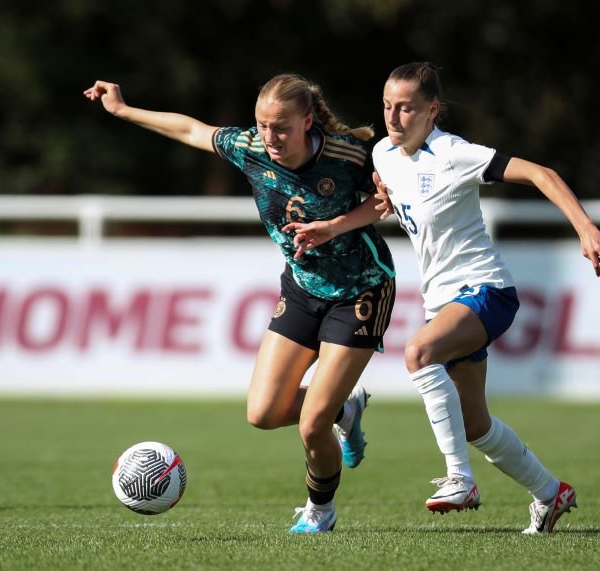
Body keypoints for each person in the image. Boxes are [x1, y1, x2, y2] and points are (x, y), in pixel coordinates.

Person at [285, 62, 600, 534]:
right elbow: (382, 205)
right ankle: (551, 493)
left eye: (406, 107)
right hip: (442, 301)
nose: (394, 117)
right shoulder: (383, 153)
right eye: (387, 106)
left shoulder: (455, 154)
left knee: (419, 353)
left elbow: (541, 173)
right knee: (476, 423)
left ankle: (460, 479)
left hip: (486, 289)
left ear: (433, 110)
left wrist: (585, 228)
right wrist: (332, 227)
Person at [84, 74, 396, 533]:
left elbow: (382, 201)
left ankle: (320, 512)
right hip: (303, 288)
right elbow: (190, 129)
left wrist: (333, 226)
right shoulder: (249, 147)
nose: (270, 137)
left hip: (362, 290)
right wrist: (123, 110)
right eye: (263, 125)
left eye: (281, 127)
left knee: (312, 425)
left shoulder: (347, 155)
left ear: (307, 120)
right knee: (263, 413)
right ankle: (344, 409)